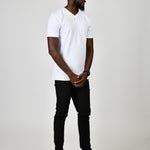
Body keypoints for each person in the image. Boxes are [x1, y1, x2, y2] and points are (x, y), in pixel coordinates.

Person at [46, 0, 94, 149]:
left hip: (82, 77)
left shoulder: (86, 19)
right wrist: (70, 74)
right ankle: (58, 148)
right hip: (62, 77)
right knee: (61, 113)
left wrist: (85, 72)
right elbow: (52, 50)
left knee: (84, 113)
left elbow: (90, 49)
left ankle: (86, 147)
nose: (85, 0)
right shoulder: (57, 16)